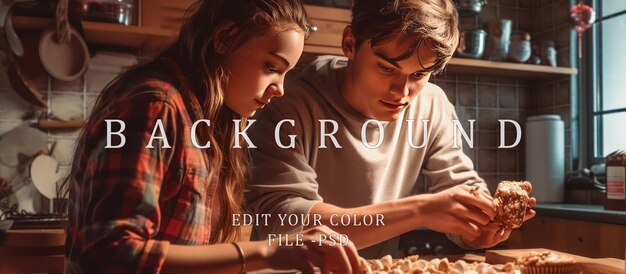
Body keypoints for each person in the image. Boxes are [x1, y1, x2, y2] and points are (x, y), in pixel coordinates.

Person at [63, 0, 360, 273]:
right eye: (272, 67)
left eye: (286, 74)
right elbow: (108, 254)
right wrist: (267, 252)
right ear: (225, 38)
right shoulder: (156, 106)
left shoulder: (206, 122)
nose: (280, 88)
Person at [246, 0, 537, 259]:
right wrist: (420, 210)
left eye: (419, 74)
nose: (402, 92)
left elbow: (460, 188)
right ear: (350, 43)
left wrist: (477, 230)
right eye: (386, 68)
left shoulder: (432, 105)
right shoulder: (287, 101)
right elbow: (285, 219)